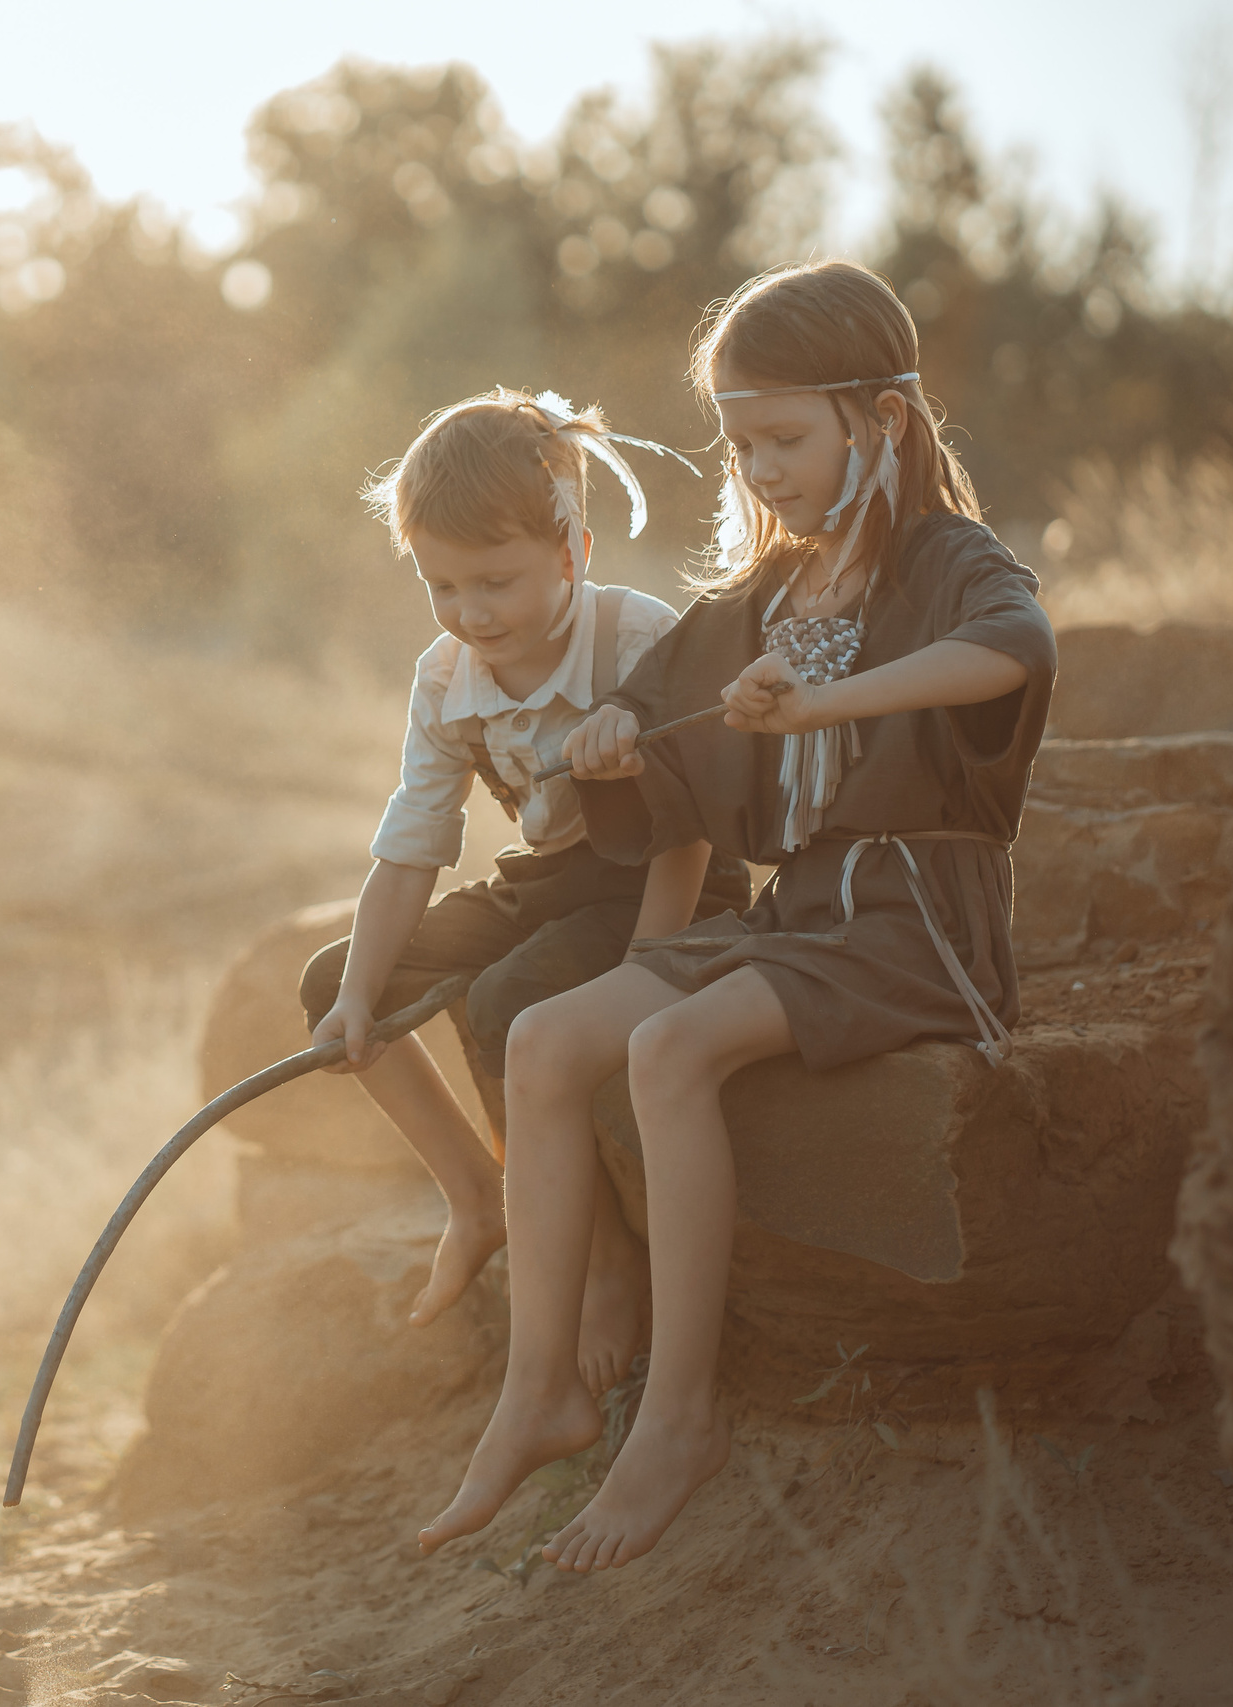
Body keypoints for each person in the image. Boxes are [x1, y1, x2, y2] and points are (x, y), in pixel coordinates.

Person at [416, 262, 1057, 1571]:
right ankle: (540, 1388)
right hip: (799, 914)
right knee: (542, 1038)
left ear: (880, 418)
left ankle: (681, 1414)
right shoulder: (769, 592)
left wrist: (826, 703)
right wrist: (610, 741)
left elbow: (1016, 650)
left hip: (917, 920)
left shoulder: (945, 560)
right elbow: (658, 728)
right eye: (741, 444)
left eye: (784, 439)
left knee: (669, 1047)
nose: (760, 469)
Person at [300, 388, 750, 1332]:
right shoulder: (445, 680)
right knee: (336, 982)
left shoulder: (636, 638)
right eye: (442, 586)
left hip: (669, 879)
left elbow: (691, 825)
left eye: (495, 582)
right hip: (554, 879)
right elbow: (411, 848)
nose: (470, 612)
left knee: (508, 998)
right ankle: (478, 1196)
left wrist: (650, 962)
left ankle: (605, 1255)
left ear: (572, 551)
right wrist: (359, 997)